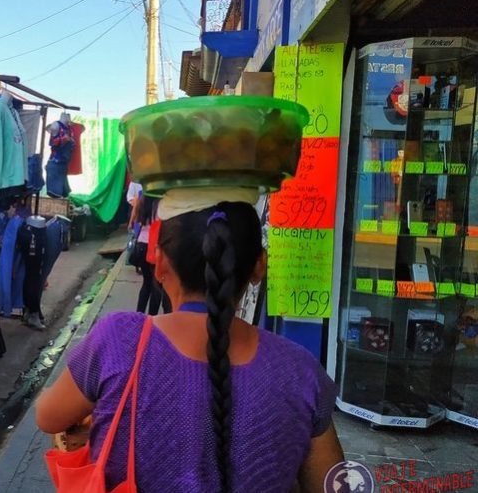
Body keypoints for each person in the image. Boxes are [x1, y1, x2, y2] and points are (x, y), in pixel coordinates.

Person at [36, 201, 344, 492]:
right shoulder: (299, 371)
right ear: (259, 267)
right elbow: (331, 482)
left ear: (160, 265)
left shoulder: (118, 340)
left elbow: (48, 416)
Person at [134, 195, 166, 315]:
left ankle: (139, 315)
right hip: (154, 246)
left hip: (141, 245)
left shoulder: (142, 203)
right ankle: (152, 318)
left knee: (146, 282)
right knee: (156, 286)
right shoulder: (160, 205)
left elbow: (137, 221)